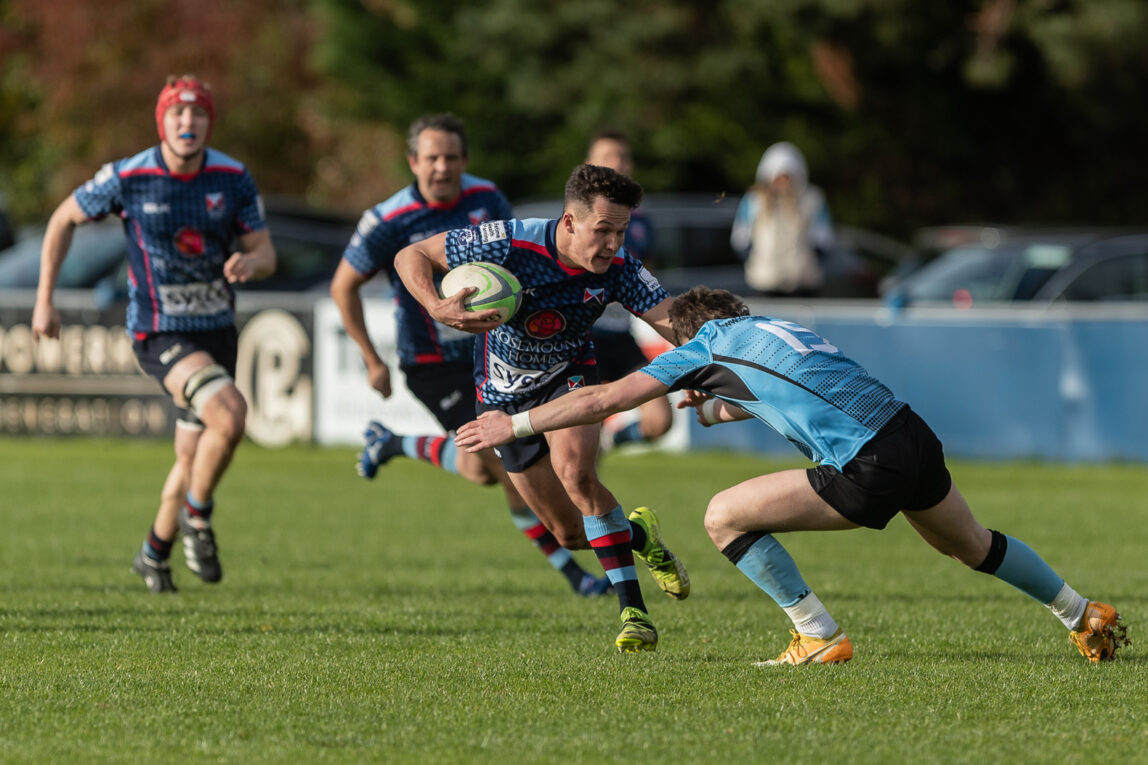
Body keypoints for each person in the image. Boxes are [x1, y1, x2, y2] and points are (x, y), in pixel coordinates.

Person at [455, 286, 1129, 665]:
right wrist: (717, 412)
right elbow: (790, 390)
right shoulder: (774, 327)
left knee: (722, 515)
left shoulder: (703, 347)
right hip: (910, 434)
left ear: (689, 338)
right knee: (971, 543)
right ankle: (1081, 610)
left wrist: (513, 426)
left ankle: (817, 634)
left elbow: (603, 399)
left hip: (866, 458)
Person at [393, 163, 691, 652]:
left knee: (578, 475)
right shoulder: (508, 243)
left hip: (570, 379)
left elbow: (672, 321)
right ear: (570, 222)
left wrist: (707, 368)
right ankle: (640, 536)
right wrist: (435, 304)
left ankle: (634, 614)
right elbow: (413, 254)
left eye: (621, 231)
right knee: (570, 533)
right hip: (500, 398)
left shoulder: (620, 268)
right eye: (603, 231)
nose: (614, 243)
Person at [329, 114, 611, 598]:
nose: (442, 167)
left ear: (464, 160)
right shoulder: (386, 220)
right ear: (413, 161)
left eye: (452, 158)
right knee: (493, 466)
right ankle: (576, 574)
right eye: (432, 158)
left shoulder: (485, 199)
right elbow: (343, 287)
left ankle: (393, 443)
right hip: (433, 362)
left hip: (497, 356)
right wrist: (371, 357)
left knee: (495, 468)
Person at [31, 75, 277, 593]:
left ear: (209, 121)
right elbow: (61, 221)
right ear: (161, 120)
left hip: (216, 332)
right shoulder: (128, 176)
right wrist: (44, 299)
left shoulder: (232, 177)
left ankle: (154, 552)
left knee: (194, 455)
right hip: (160, 331)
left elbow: (267, 252)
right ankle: (199, 518)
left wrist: (249, 262)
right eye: (178, 113)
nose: (188, 123)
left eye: (199, 114)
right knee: (230, 415)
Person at [584, 130, 672, 450]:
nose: (617, 164)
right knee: (581, 448)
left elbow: (644, 280)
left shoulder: (641, 221)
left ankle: (614, 438)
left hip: (621, 335)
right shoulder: (577, 221)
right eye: (608, 156)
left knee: (660, 420)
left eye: (623, 156)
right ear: (588, 165)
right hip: (583, 337)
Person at [730, 141, 834, 297]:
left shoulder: (812, 199)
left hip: (802, 285)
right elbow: (741, 238)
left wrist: (806, 264)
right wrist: (757, 262)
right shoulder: (754, 200)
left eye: (787, 177)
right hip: (764, 284)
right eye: (779, 176)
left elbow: (823, 239)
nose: (783, 182)